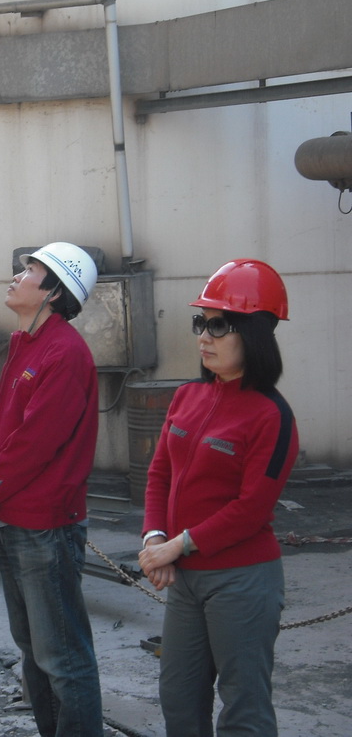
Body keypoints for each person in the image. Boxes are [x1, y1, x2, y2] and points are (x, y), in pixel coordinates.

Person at [138, 259, 298, 737]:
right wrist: (155, 538)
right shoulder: (187, 396)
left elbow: (251, 509)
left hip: (241, 581)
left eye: (218, 326)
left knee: (244, 710)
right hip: (186, 580)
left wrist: (178, 545)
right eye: (201, 323)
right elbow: (159, 473)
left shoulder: (272, 416)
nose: (203, 338)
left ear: (254, 334)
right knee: (179, 699)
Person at [0, 242, 104, 737]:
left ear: (53, 293)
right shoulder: (26, 343)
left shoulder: (64, 353)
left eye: (30, 272)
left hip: (46, 527)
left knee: (62, 656)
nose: (16, 277)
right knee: (34, 653)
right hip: (13, 518)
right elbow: (1, 426)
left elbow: (34, 444)